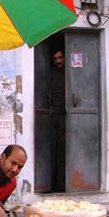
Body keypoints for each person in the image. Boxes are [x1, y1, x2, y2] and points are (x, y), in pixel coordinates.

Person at [50, 49, 66, 192]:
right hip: (52, 116)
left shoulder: (70, 73)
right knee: (52, 152)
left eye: (60, 58)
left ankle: (62, 186)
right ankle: (53, 185)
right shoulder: (51, 73)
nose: (58, 61)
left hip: (65, 117)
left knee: (63, 152)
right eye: (55, 59)